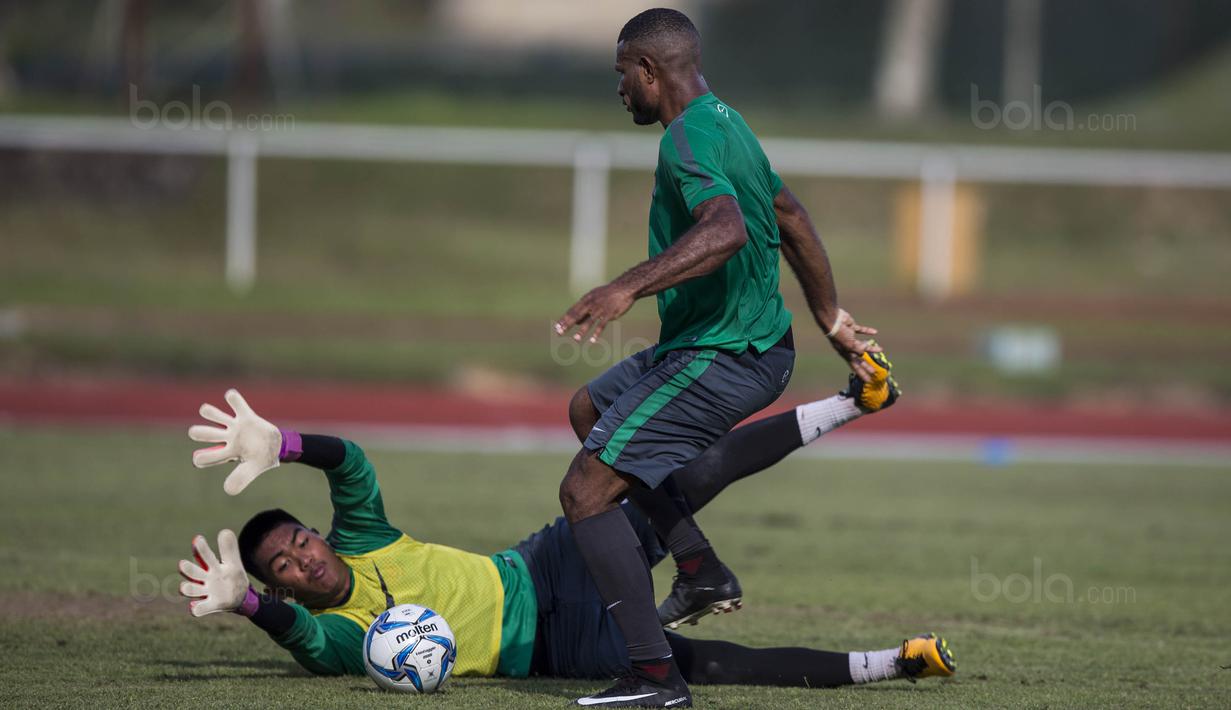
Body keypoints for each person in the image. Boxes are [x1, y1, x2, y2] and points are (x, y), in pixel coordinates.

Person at [179, 370, 953, 697]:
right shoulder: (339, 635)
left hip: (543, 564)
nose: (304, 561)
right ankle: (896, 663)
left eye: (300, 542)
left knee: (685, 479)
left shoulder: (364, 536)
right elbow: (302, 643)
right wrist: (249, 607)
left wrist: (284, 447)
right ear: (282, 585)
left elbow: (348, 461)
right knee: (711, 665)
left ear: (317, 534)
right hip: (552, 649)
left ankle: (853, 400)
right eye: (285, 567)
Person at [551, 9, 883, 706]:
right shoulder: (726, 121)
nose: (618, 89)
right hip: (716, 345)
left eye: (621, 75)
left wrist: (625, 286)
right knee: (589, 409)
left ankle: (653, 678)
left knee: (585, 492)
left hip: (727, 355)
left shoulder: (687, 138)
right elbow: (787, 214)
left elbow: (728, 228)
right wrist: (829, 316)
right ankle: (699, 568)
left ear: (648, 70)